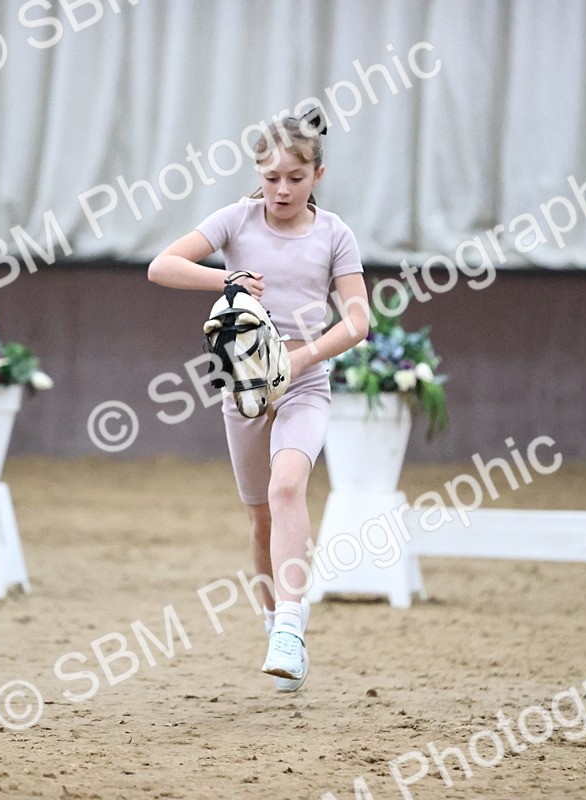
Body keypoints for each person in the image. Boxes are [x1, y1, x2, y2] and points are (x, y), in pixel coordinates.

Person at [148, 109, 369, 691]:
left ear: (317, 174)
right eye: (271, 178)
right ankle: (274, 621)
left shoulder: (334, 234)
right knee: (260, 516)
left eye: (295, 178)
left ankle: (292, 630)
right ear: (258, 173)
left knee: (287, 486)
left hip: (303, 381)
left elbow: (357, 320)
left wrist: (300, 358)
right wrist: (224, 280)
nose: (282, 189)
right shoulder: (236, 221)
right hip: (243, 389)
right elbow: (162, 266)